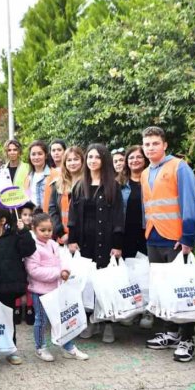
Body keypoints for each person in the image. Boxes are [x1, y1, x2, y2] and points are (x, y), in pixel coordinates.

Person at [141, 126, 195, 362]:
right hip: (154, 237)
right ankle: (171, 332)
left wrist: (188, 238)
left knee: (183, 289)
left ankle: (187, 338)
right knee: (163, 289)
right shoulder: (146, 173)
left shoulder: (179, 167)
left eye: (155, 143)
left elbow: (190, 203)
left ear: (164, 145)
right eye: (147, 144)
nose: (150, 148)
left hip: (175, 240)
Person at [68, 143, 124, 344]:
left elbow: (118, 217)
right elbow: (73, 216)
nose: (92, 160)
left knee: (105, 283)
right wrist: (72, 240)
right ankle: (91, 321)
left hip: (106, 242)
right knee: (87, 284)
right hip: (85, 243)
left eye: (97, 157)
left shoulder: (113, 186)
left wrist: (117, 244)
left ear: (104, 160)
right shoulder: (79, 186)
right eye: (90, 157)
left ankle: (108, 322)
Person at [26, 213, 89, 362]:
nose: (47, 233)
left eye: (49, 230)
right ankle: (40, 347)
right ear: (34, 229)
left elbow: (62, 260)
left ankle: (68, 346)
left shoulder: (54, 244)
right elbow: (33, 271)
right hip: (40, 292)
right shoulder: (32, 247)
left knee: (62, 318)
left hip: (57, 289)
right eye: (43, 230)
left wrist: (66, 270)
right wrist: (58, 273)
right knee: (41, 320)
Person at [0, 204, 36, 366]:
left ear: (3, 220)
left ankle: (10, 349)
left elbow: (29, 250)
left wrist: (24, 231)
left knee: (8, 319)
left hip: (9, 287)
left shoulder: (15, 237)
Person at [47, 146, 84, 245]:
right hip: (61, 238)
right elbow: (52, 210)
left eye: (76, 159)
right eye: (69, 160)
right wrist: (61, 233)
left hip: (82, 239)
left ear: (82, 161)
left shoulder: (89, 184)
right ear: (65, 163)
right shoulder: (58, 184)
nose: (72, 163)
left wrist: (72, 237)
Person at [17, 140, 52, 207]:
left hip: (47, 216)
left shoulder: (54, 175)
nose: (36, 157)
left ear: (46, 156)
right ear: (30, 157)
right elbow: (27, 198)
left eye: (40, 154)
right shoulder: (28, 177)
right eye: (33, 154)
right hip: (32, 216)